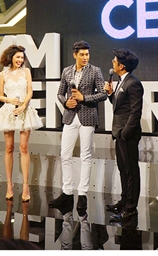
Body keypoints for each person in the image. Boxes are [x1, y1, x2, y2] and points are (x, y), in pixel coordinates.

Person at [49, 41, 107, 212]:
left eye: (87, 54)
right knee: (65, 154)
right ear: (75, 55)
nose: (85, 57)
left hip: (88, 117)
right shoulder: (67, 71)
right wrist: (65, 102)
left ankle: (82, 194)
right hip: (70, 116)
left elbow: (103, 94)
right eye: (82, 54)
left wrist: (84, 98)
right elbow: (60, 93)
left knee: (85, 155)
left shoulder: (95, 71)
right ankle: (67, 192)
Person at [0, 45, 43, 202]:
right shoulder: (2, 74)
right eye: (18, 57)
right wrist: (9, 100)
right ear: (11, 57)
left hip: (24, 110)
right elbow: (0, 96)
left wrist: (23, 105)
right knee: (9, 147)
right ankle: (9, 184)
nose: (20, 60)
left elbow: (30, 91)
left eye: (22, 57)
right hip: (9, 111)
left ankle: (26, 185)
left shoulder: (26, 72)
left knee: (24, 147)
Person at [103, 48, 144, 222]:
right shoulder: (122, 81)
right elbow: (120, 106)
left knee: (131, 171)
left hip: (127, 135)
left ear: (121, 65)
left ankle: (131, 208)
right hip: (119, 133)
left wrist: (125, 133)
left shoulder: (133, 83)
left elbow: (135, 112)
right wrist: (111, 94)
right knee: (123, 169)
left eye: (114, 61)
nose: (112, 63)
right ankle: (124, 201)